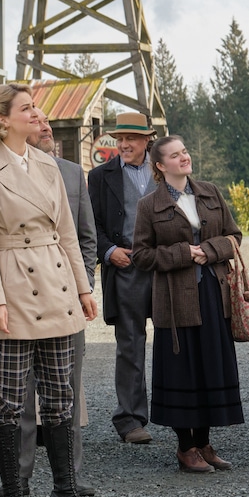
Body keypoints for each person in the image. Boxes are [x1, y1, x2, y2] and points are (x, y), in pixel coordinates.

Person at [0, 83, 104, 497]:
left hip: (58, 283)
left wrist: (84, 289)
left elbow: (68, 232)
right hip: (12, 287)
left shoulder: (48, 164)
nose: (36, 114)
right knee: (8, 401)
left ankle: (64, 493)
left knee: (60, 397)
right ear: (3, 119)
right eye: (26, 108)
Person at [132, 135, 243, 473]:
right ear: (161, 165)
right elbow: (141, 255)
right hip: (174, 299)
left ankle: (205, 444)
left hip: (212, 292)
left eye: (185, 152)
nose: (184, 158)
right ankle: (185, 448)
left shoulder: (210, 192)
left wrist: (208, 252)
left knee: (210, 363)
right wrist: (183, 253)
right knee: (183, 369)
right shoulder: (149, 206)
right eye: (176, 155)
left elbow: (234, 237)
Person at [15, 108, 98, 497]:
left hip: (66, 295)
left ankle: (70, 477)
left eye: (48, 122)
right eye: (36, 121)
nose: (45, 127)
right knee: (21, 388)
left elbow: (86, 237)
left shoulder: (71, 173)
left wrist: (85, 287)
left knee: (67, 388)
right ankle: (20, 475)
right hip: (22, 292)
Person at [88, 112, 156, 445]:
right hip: (126, 266)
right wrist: (109, 250)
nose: (124, 144)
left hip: (165, 267)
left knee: (178, 342)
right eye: (120, 139)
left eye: (131, 138)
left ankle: (178, 414)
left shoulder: (165, 171)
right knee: (130, 344)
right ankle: (130, 420)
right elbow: (90, 225)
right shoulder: (101, 176)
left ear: (147, 140)